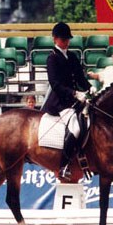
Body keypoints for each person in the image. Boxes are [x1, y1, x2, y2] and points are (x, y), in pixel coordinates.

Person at [42, 22, 96, 181]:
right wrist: (75, 93)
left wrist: (90, 87)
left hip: (75, 99)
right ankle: (64, 165)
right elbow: (55, 84)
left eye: (68, 39)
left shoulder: (71, 56)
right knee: (75, 127)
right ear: (55, 39)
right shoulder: (52, 58)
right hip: (60, 102)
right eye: (63, 39)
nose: (66, 42)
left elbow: (80, 77)